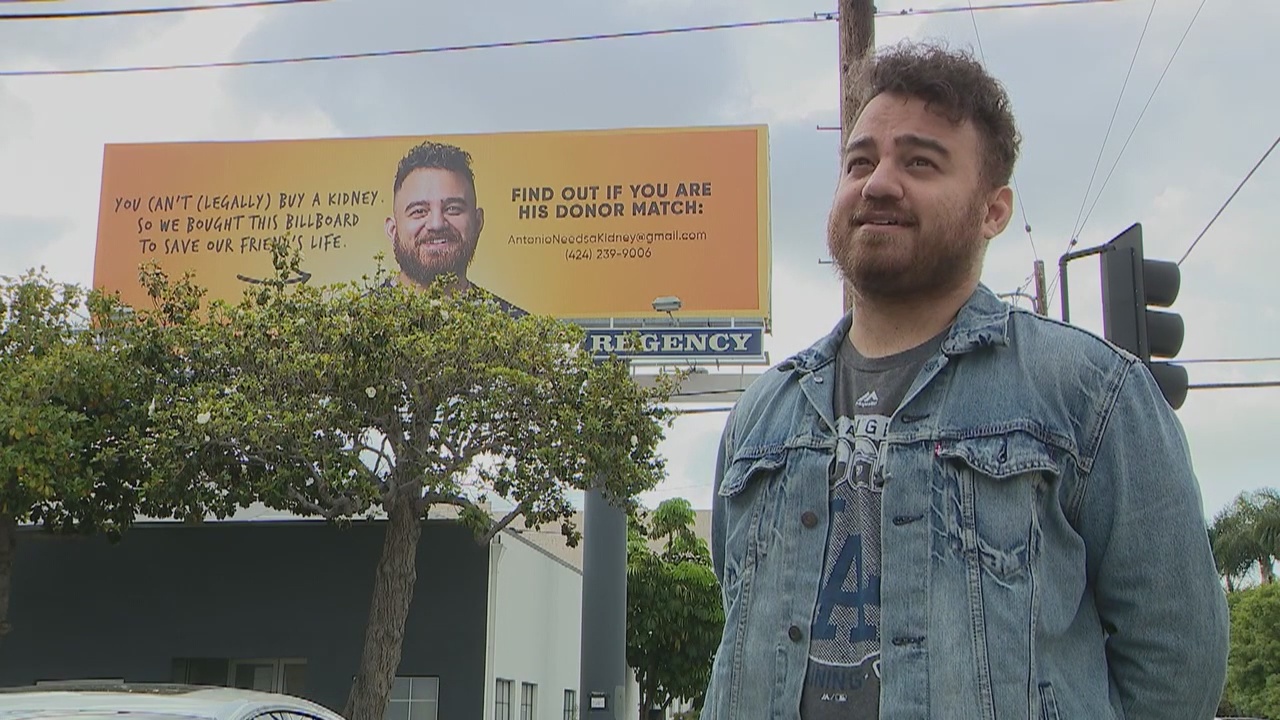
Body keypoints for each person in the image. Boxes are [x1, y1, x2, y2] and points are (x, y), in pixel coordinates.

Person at [701, 40, 1228, 719]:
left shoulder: (1091, 394)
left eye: (919, 161)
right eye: (860, 161)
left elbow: (1176, 662)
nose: (878, 182)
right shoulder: (760, 416)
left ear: (993, 211)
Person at [384, 140, 525, 317]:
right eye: (419, 211)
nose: (436, 224)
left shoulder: (518, 327)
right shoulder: (353, 324)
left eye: (452, 209)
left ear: (478, 222)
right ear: (392, 230)